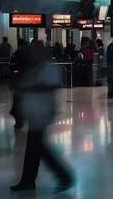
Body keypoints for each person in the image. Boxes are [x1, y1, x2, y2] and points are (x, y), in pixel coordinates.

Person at [10, 40, 73, 192]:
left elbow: (48, 86)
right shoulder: (36, 68)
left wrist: (25, 87)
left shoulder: (49, 67)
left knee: (37, 147)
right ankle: (31, 180)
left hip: (41, 112)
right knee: (36, 147)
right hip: (35, 112)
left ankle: (62, 177)